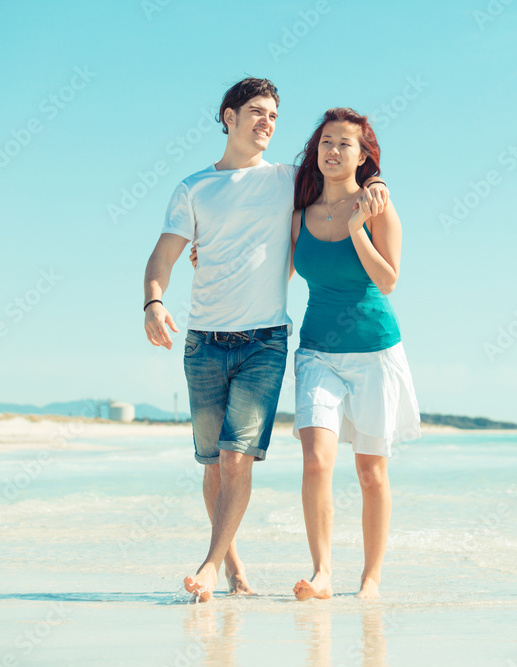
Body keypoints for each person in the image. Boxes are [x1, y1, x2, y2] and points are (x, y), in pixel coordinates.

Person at [142, 79, 389, 603]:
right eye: (256, 112)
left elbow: (342, 173)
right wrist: (154, 302)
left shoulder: (286, 180)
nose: (267, 122)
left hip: (266, 342)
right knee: (212, 463)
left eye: (274, 115)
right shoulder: (193, 188)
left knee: (236, 457)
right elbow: (162, 255)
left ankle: (207, 566)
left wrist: (374, 187)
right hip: (203, 341)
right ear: (227, 117)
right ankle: (231, 569)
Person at [288, 108, 421, 600]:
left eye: (345, 143)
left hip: (374, 352)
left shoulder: (380, 207)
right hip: (317, 352)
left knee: (371, 471)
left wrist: (359, 227)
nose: (332, 150)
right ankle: (323, 573)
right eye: (326, 141)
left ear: (363, 155)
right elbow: (269, 273)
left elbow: (387, 280)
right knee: (316, 459)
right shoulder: (298, 217)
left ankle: (370, 579)